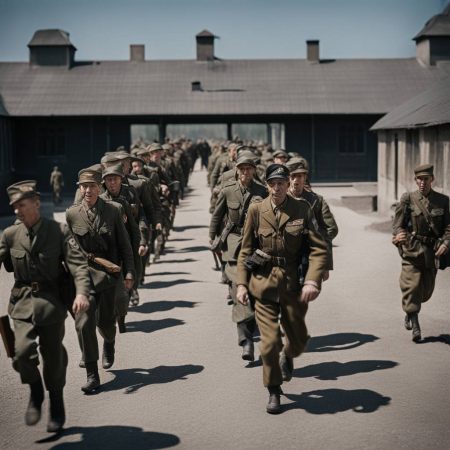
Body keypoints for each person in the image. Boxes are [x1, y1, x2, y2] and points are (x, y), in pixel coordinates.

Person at [236, 164, 327, 414]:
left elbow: (318, 248)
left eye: (281, 183)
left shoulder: (302, 209)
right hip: (263, 284)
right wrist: (242, 283)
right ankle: (274, 390)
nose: (277, 188)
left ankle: (288, 355)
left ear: (289, 184)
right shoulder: (256, 211)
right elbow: (245, 250)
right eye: (272, 183)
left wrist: (312, 280)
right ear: (267, 185)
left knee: (297, 341)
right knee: (268, 343)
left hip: (293, 284)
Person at [0, 180, 90, 432]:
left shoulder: (58, 231)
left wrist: (81, 292)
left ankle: (57, 404)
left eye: (22, 205)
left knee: (52, 357)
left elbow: (78, 266)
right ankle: (36, 392)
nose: (17, 210)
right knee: (21, 354)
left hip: (51, 302)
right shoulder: (10, 235)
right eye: (14, 206)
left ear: (36, 203)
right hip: (21, 303)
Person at [66, 169, 135, 393]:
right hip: (84, 278)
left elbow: (125, 245)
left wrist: (129, 273)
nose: (88, 190)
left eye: (92, 186)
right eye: (83, 186)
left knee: (106, 324)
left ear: (99, 188)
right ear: (80, 189)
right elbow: (69, 250)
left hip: (108, 276)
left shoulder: (113, 210)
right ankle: (92, 375)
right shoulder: (72, 214)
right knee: (84, 322)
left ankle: (110, 341)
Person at [209, 154, 267, 361]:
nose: (245, 172)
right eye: (241, 169)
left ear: (253, 170)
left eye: (248, 168)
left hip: (255, 248)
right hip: (232, 248)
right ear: (237, 170)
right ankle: (246, 341)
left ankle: (250, 331)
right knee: (238, 291)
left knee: (254, 293)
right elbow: (217, 216)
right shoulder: (227, 191)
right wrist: (213, 239)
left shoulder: (262, 191)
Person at [392, 164, 450, 342]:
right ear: (415, 180)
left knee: (425, 292)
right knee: (412, 286)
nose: (422, 182)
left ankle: (412, 310)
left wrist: (447, 242)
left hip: (432, 253)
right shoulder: (408, 199)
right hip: (412, 249)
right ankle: (415, 322)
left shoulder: (443, 201)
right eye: (419, 179)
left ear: (432, 179)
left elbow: (448, 226)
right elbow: (398, 225)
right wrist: (398, 236)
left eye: (426, 179)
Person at [286, 157, 338, 278]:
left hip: (308, 257)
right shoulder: (279, 200)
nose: (295, 181)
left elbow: (328, 231)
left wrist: (325, 264)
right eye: (292, 176)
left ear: (305, 177)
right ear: (287, 178)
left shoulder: (316, 201)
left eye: (299, 176)